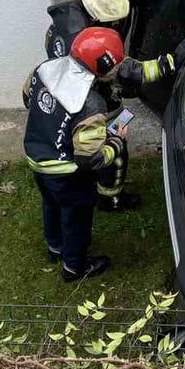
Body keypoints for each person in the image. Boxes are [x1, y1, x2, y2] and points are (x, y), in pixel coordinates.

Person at [42, 0, 185, 212]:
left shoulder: (60, 27)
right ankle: (110, 198)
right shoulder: (88, 42)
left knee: (80, 148)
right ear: (97, 18)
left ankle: (85, 179)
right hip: (94, 108)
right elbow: (127, 71)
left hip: (66, 105)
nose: (115, 27)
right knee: (114, 148)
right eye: (112, 22)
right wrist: (171, 62)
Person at [22, 27, 129, 281]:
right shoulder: (90, 104)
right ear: (104, 67)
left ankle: (55, 247)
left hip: (38, 157)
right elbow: (90, 159)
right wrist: (116, 142)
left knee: (51, 204)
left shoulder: (43, 69)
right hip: (67, 173)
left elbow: (28, 98)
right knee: (76, 218)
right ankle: (75, 267)